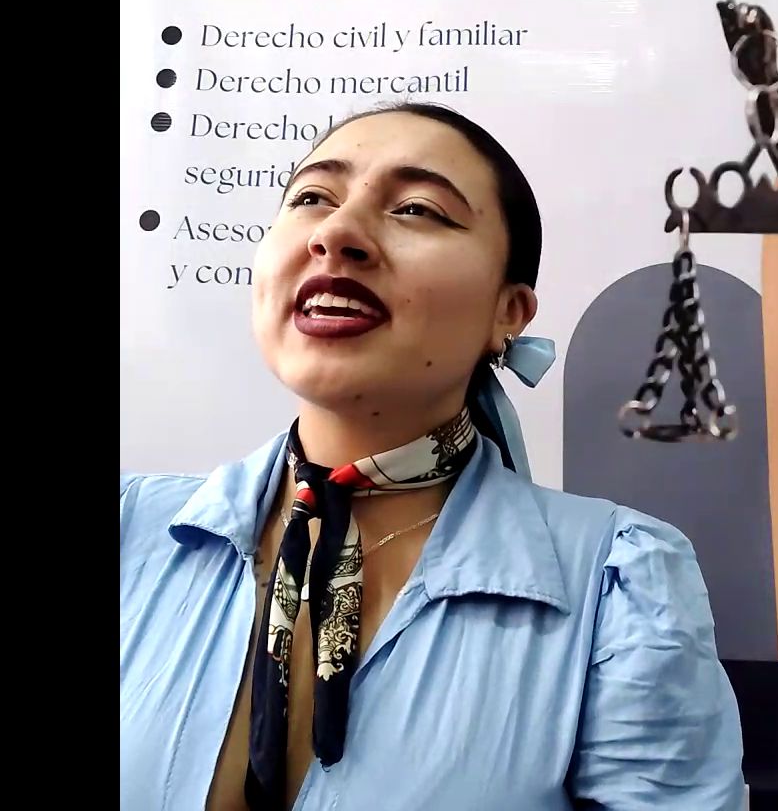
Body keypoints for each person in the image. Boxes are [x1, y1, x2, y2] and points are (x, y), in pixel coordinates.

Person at [120, 102, 745, 811]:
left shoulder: (617, 588)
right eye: (312, 197)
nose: (335, 233)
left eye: (417, 209)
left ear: (509, 314)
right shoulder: (131, 527)